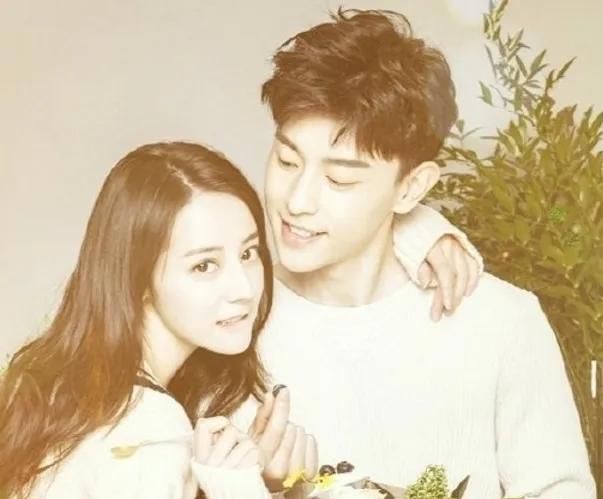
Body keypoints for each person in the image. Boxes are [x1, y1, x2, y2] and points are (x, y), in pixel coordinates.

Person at [232, 9, 596, 499]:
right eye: (286, 160)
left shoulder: (502, 322)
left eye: (339, 179)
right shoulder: (227, 323)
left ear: (412, 188)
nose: (297, 201)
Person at [0, 140, 479, 499]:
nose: (244, 288)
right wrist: (242, 490)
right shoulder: (150, 432)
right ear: (138, 278)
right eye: (204, 266)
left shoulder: (59, 388)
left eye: (248, 253)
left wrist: (417, 228)